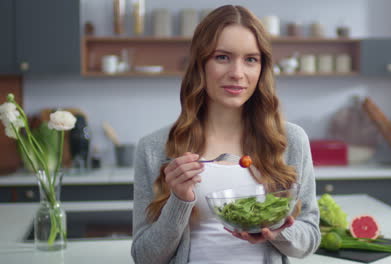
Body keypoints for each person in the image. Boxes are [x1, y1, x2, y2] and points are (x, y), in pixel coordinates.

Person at [131, 5, 321, 264]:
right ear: (200, 64)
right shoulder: (154, 148)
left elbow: (309, 238)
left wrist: (277, 231)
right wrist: (179, 199)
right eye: (222, 57)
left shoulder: (291, 141)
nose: (237, 73)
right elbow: (144, 257)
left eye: (250, 59)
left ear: (262, 69)